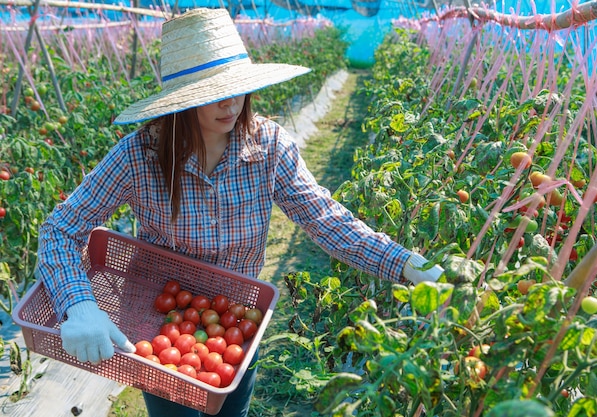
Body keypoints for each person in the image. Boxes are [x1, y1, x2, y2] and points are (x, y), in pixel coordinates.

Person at [35, 7, 443, 417]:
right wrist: (80, 304)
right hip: (157, 320)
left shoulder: (268, 149)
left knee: (232, 411)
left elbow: (324, 218)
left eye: (238, 87)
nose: (231, 103)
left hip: (238, 322)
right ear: (182, 101)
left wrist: (407, 264)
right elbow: (60, 230)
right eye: (214, 93)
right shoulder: (139, 157)